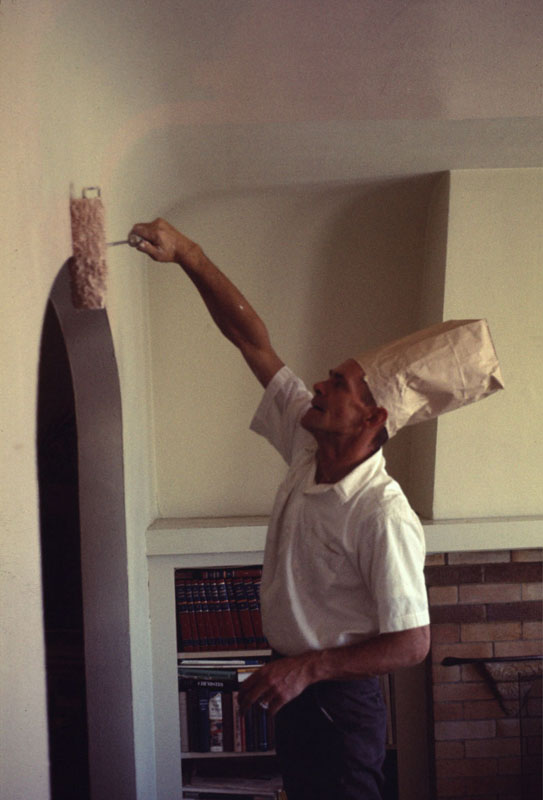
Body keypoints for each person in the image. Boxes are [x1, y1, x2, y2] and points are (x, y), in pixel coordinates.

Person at [129, 217, 431, 799]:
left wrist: (308, 668)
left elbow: (412, 643)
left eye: (337, 384)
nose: (318, 385)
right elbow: (251, 340)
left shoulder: (382, 513)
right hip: (295, 686)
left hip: (337, 701)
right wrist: (189, 253)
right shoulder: (307, 443)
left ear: (372, 419)